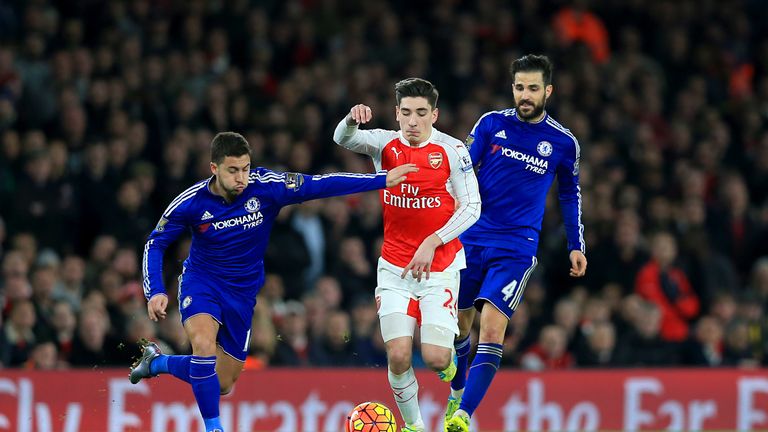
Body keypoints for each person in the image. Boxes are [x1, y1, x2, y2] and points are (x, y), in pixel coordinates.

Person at [129, 131, 416, 432]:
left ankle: (158, 363)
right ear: (214, 168)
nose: (242, 177)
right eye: (233, 170)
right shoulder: (190, 202)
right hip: (202, 283)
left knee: (223, 383)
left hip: (243, 293)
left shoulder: (268, 187)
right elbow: (156, 243)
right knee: (202, 346)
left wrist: (381, 179)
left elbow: (321, 184)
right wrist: (156, 291)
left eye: (246, 168)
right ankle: (214, 428)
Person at [444, 55, 587, 432]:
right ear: (513, 88)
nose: (526, 95)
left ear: (548, 91)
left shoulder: (563, 142)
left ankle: (463, 416)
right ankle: (457, 388)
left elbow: (570, 194)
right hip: (471, 236)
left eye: (533, 89)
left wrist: (576, 243)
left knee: (491, 330)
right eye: (520, 88)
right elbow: (459, 168)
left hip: (516, 247)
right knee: (459, 328)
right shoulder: (491, 124)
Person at [334, 78, 481, 432]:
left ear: (435, 114)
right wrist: (352, 119)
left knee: (435, 358)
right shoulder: (384, 143)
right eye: (405, 113)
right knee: (398, 355)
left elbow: (472, 206)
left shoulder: (452, 150)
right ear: (396, 113)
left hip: (440, 268)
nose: (412, 121)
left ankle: (454, 378)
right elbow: (342, 138)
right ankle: (414, 427)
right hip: (395, 270)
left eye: (420, 113)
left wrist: (433, 241)